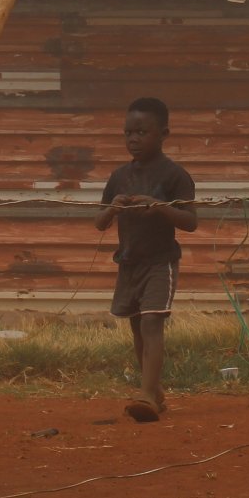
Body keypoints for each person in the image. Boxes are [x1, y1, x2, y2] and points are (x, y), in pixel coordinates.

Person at [95, 95, 195, 422]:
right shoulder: (119, 177)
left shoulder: (175, 175)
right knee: (137, 326)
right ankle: (153, 391)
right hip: (128, 263)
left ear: (163, 134)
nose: (133, 139)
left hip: (160, 262)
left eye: (142, 132)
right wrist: (114, 208)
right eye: (128, 133)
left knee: (152, 322)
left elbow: (191, 221)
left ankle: (147, 395)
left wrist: (160, 207)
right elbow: (99, 222)